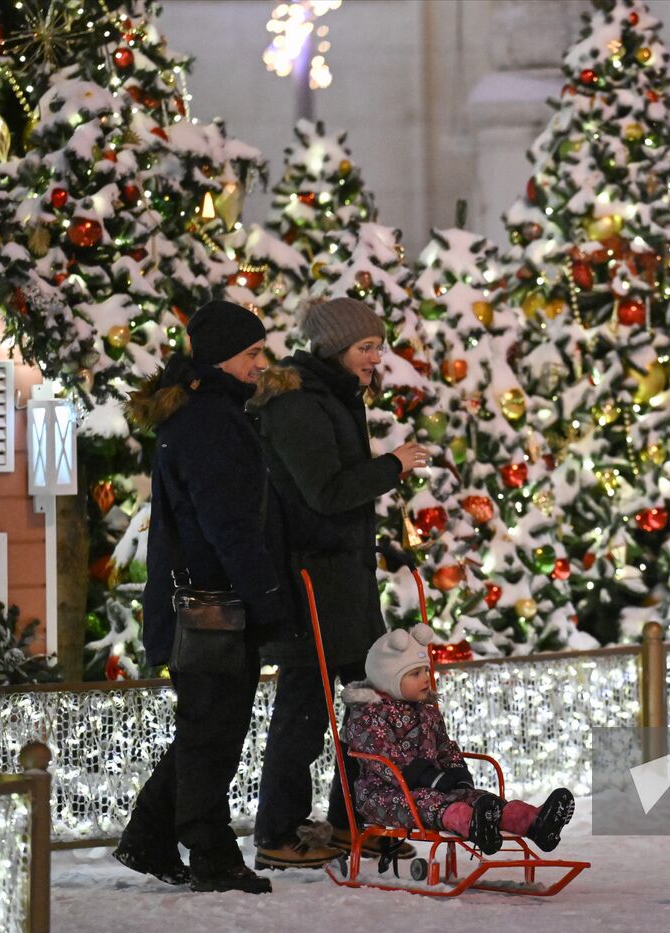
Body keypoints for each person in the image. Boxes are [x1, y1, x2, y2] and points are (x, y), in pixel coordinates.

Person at [249, 296, 433, 870]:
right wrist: (392, 467)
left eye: (378, 346)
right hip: (312, 588)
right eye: (366, 347)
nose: (376, 358)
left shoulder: (331, 396)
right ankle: (278, 832)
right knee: (305, 713)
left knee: (367, 708)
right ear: (333, 348)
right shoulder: (299, 403)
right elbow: (324, 492)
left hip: (342, 584)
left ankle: (356, 820)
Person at [114, 300, 289, 895]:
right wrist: (267, 595)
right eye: (252, 355)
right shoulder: (213, 423)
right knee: (213, 734)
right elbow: (227, 525)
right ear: (222, 358)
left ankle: (149, 837)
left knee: (202, 729)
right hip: (213, 606)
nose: (259, 366)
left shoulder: (200, 414)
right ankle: (211, 854)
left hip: (199, 603)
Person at [341, 624, 575, 853]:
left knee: (480, 799)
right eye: (415, 674)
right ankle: (472, 824)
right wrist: (430, 777)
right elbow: (386, 759)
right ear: (388, 679)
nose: (425, 678)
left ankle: (534, 822)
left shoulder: (426, 710)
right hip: (383, 795)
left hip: (434, 785)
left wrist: (458, 775)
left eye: (426, 671)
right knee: (430, 802)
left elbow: (444, 747)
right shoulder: (368, 715)